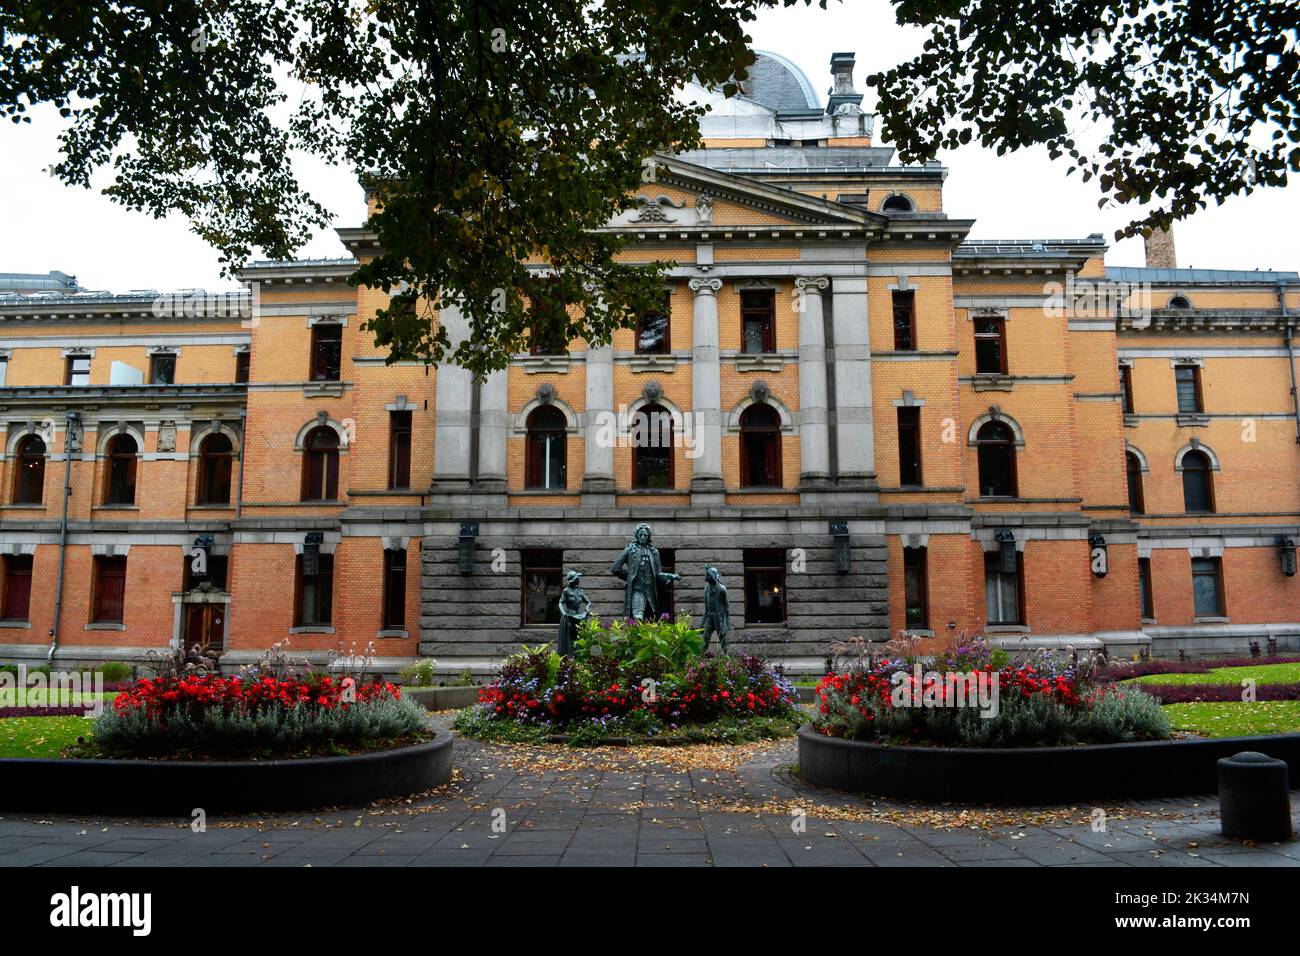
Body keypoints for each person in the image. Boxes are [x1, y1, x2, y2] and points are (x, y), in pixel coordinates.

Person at [610, 522, 680, 621]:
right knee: (638, 619)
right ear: (636, 536)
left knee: (653, 620)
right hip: (637, 591)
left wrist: (670, 576)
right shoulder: (630, 551)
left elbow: (658, 574)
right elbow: (615, 569)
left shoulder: (654, 552)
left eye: (645, 535)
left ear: (648, 537)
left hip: (651, 593)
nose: (643, 537)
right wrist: (629, 577)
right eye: (640, 535)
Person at [555, 570, 592, 657]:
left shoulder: (579, 591)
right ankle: (567, 657)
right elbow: (560, 602)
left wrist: (587, 608)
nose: (579, 579)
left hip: (577, 615)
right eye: (577, 578)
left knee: (578, 636)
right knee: (569, 637)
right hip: (569, 616)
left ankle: (578, 656)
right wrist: (563, 613)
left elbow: (588, 602)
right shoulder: (566, 591)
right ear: (573, 580)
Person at [700, 565, 731, 653]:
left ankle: (727, 656)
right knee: (705, 636)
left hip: (719, 618)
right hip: (709, 617)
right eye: (707, 575)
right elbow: (706, 608)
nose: (707, 577)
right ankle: (700, 657)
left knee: (722, 637)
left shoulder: (721, 589)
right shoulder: (706, 588)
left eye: (708, 575)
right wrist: (703, 622)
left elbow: (726, 606)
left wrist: (727, 623)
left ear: (713, 576)